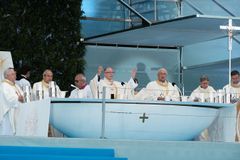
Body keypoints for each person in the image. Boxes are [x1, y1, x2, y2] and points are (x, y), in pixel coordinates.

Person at [0, 68, 24, 135]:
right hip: (8, 113)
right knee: (7, 131)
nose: (15, 75)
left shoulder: (15, 85)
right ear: (7, 76)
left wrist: (23, 97)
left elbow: (21, 94)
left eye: (15, 74)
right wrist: (18, 99)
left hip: (17, 111)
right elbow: (8, 99)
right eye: (13, 74)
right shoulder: (4, 85)